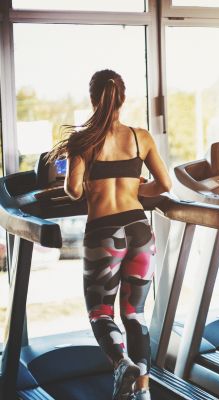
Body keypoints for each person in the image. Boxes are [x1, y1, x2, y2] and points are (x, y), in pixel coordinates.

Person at [46, 69, 172, 399]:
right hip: (139, 229)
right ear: (122, 99)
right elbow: (165, 184)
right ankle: (142, 388)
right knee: (135, 313)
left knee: (101, 313)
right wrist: (139, 189)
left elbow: (74, 189)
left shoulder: (83, 140)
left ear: (93, 99)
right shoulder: (140, 136)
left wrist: (82, 180)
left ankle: (122, 365)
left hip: (104, 232)